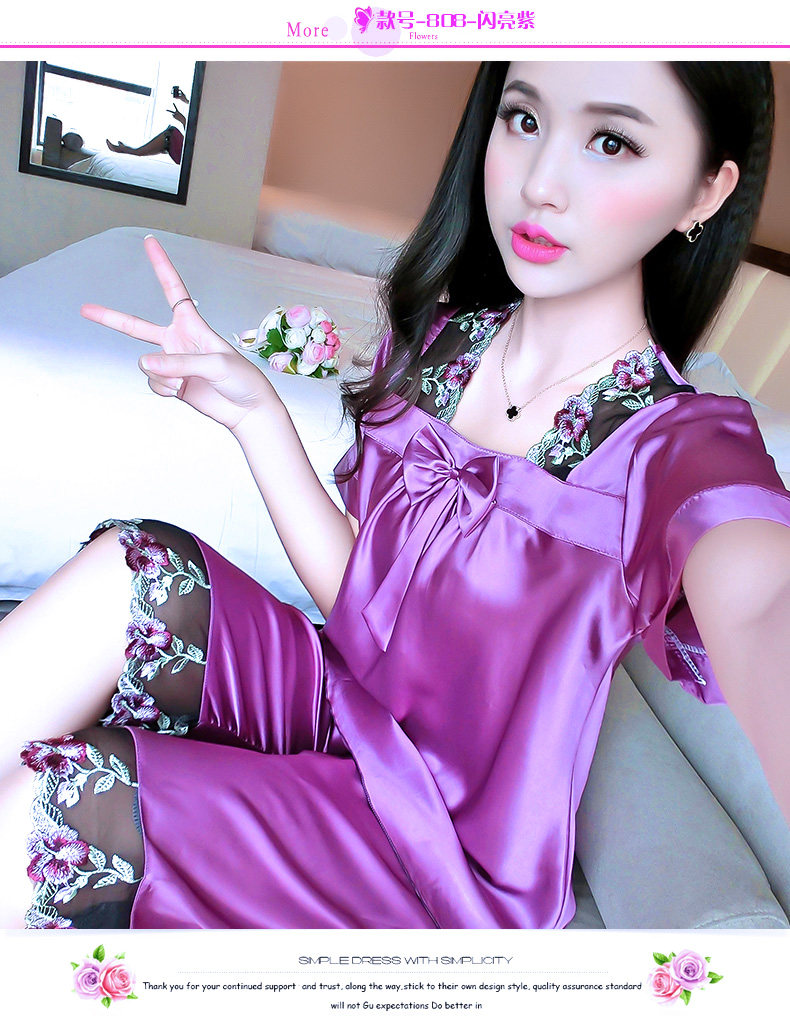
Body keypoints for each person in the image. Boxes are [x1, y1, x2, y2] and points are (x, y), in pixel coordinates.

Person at [2, 61, 789, 930]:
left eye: (611, 141)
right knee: (127, 569)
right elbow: (360, 596)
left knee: (59, 810)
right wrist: (257, 414)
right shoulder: (443, 343)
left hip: (445, 839)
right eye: (524, 120)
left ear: (704, 193)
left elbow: (764, 611)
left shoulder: (684, 446)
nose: (540, 183)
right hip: (347, 697)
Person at [105, 95, 187, 165]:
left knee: (171, 134)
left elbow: (192, 139)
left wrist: (183, 120)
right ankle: (129, 151)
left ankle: (128, 151)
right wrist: (185, 100)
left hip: (188, 156)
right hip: (187, 155)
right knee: (168, 138)